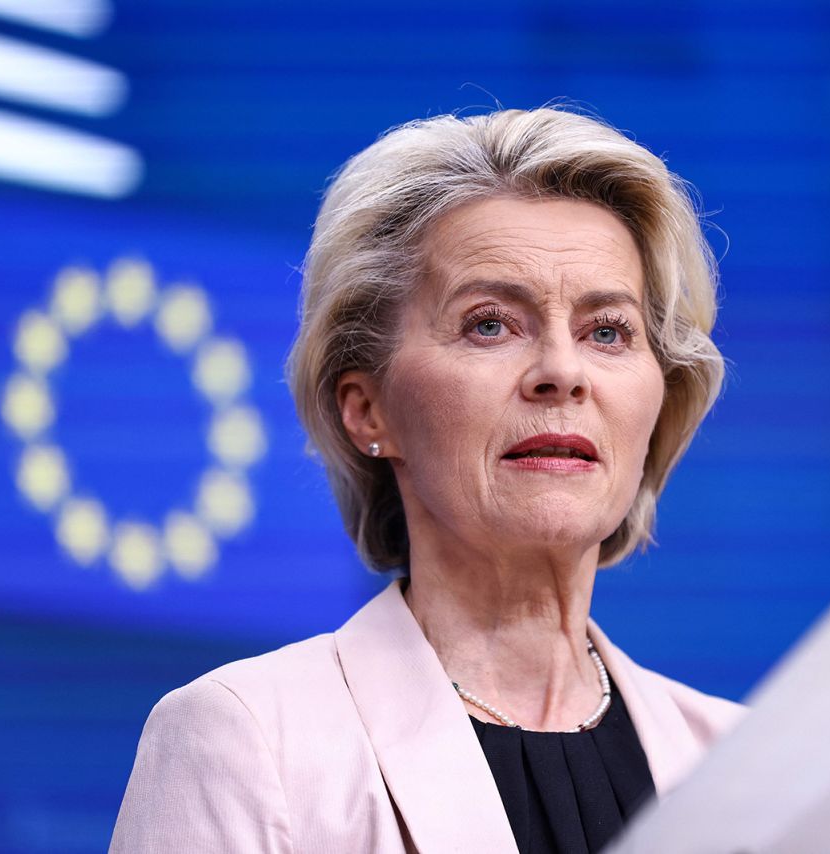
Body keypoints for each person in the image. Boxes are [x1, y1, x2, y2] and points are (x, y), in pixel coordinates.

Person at [110, 106, 743, 853]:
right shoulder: (249, 742)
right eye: (490, 324)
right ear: (368, 409)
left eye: (607, 331)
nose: (562, 374)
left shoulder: (741, 766)